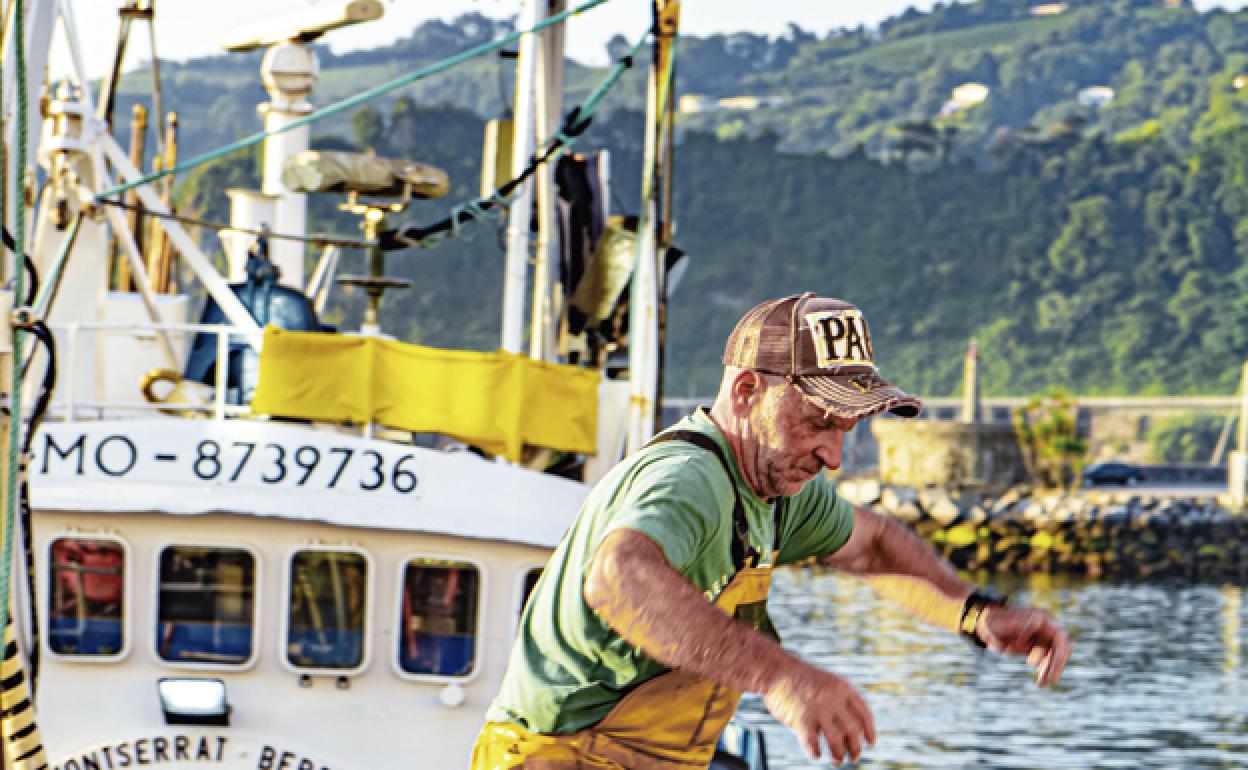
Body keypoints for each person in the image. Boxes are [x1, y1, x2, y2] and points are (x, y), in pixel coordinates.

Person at [471, 293, 1072, 769]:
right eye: (816, 421)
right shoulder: (689, 479)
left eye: (847, 429)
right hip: (558, 757)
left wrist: (975, 613)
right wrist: (783, 677)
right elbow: (620, 579)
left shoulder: (775, 489)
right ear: (746, 391)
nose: (833, 456)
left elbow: (873, 546)